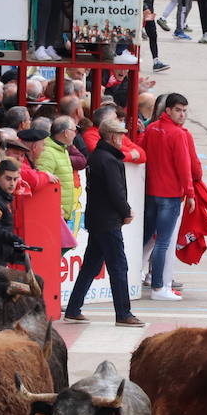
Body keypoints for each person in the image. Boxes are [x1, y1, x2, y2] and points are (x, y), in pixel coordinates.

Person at [64, 115, 145, 327]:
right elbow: (115, 191)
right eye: (120, 134)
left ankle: (73, 308)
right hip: (108, 220)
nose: (122, 138)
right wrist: (125, 211)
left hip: (98, 218)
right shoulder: (108, 159)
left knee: (91, 266)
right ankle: (123, 313)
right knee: (118, 266)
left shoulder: (98, 156)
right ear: (111, 137)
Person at [139, 94, 198, 300]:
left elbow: (141, 151)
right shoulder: (178, 134)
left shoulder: (152, 128)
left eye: (184, 111)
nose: (182, 114)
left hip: (151, 193)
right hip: (170, 194)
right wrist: (189, 193)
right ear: (168, 111)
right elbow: (185, 166)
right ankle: (158, 287)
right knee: (163, 242)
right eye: (178, 110)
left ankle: (132, 278)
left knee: (145, 238)